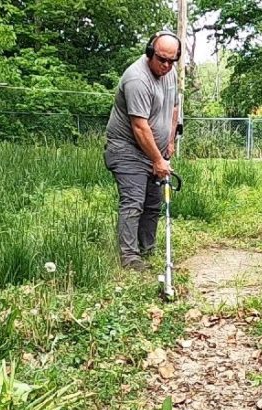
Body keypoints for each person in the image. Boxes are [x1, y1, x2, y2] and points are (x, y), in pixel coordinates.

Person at [104, 30, 181, 271]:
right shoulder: (137, 79)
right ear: (150, 53)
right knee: (134, 202)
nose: (166, 65)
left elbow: (174, 107)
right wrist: (157, 160)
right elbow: (139, 127)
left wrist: (169, 142)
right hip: (126, 148)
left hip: (154, 150)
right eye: (161, 59)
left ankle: (147, 249)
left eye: (172, 60)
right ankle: (129, 258)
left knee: (152, 203)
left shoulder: (171, 72)